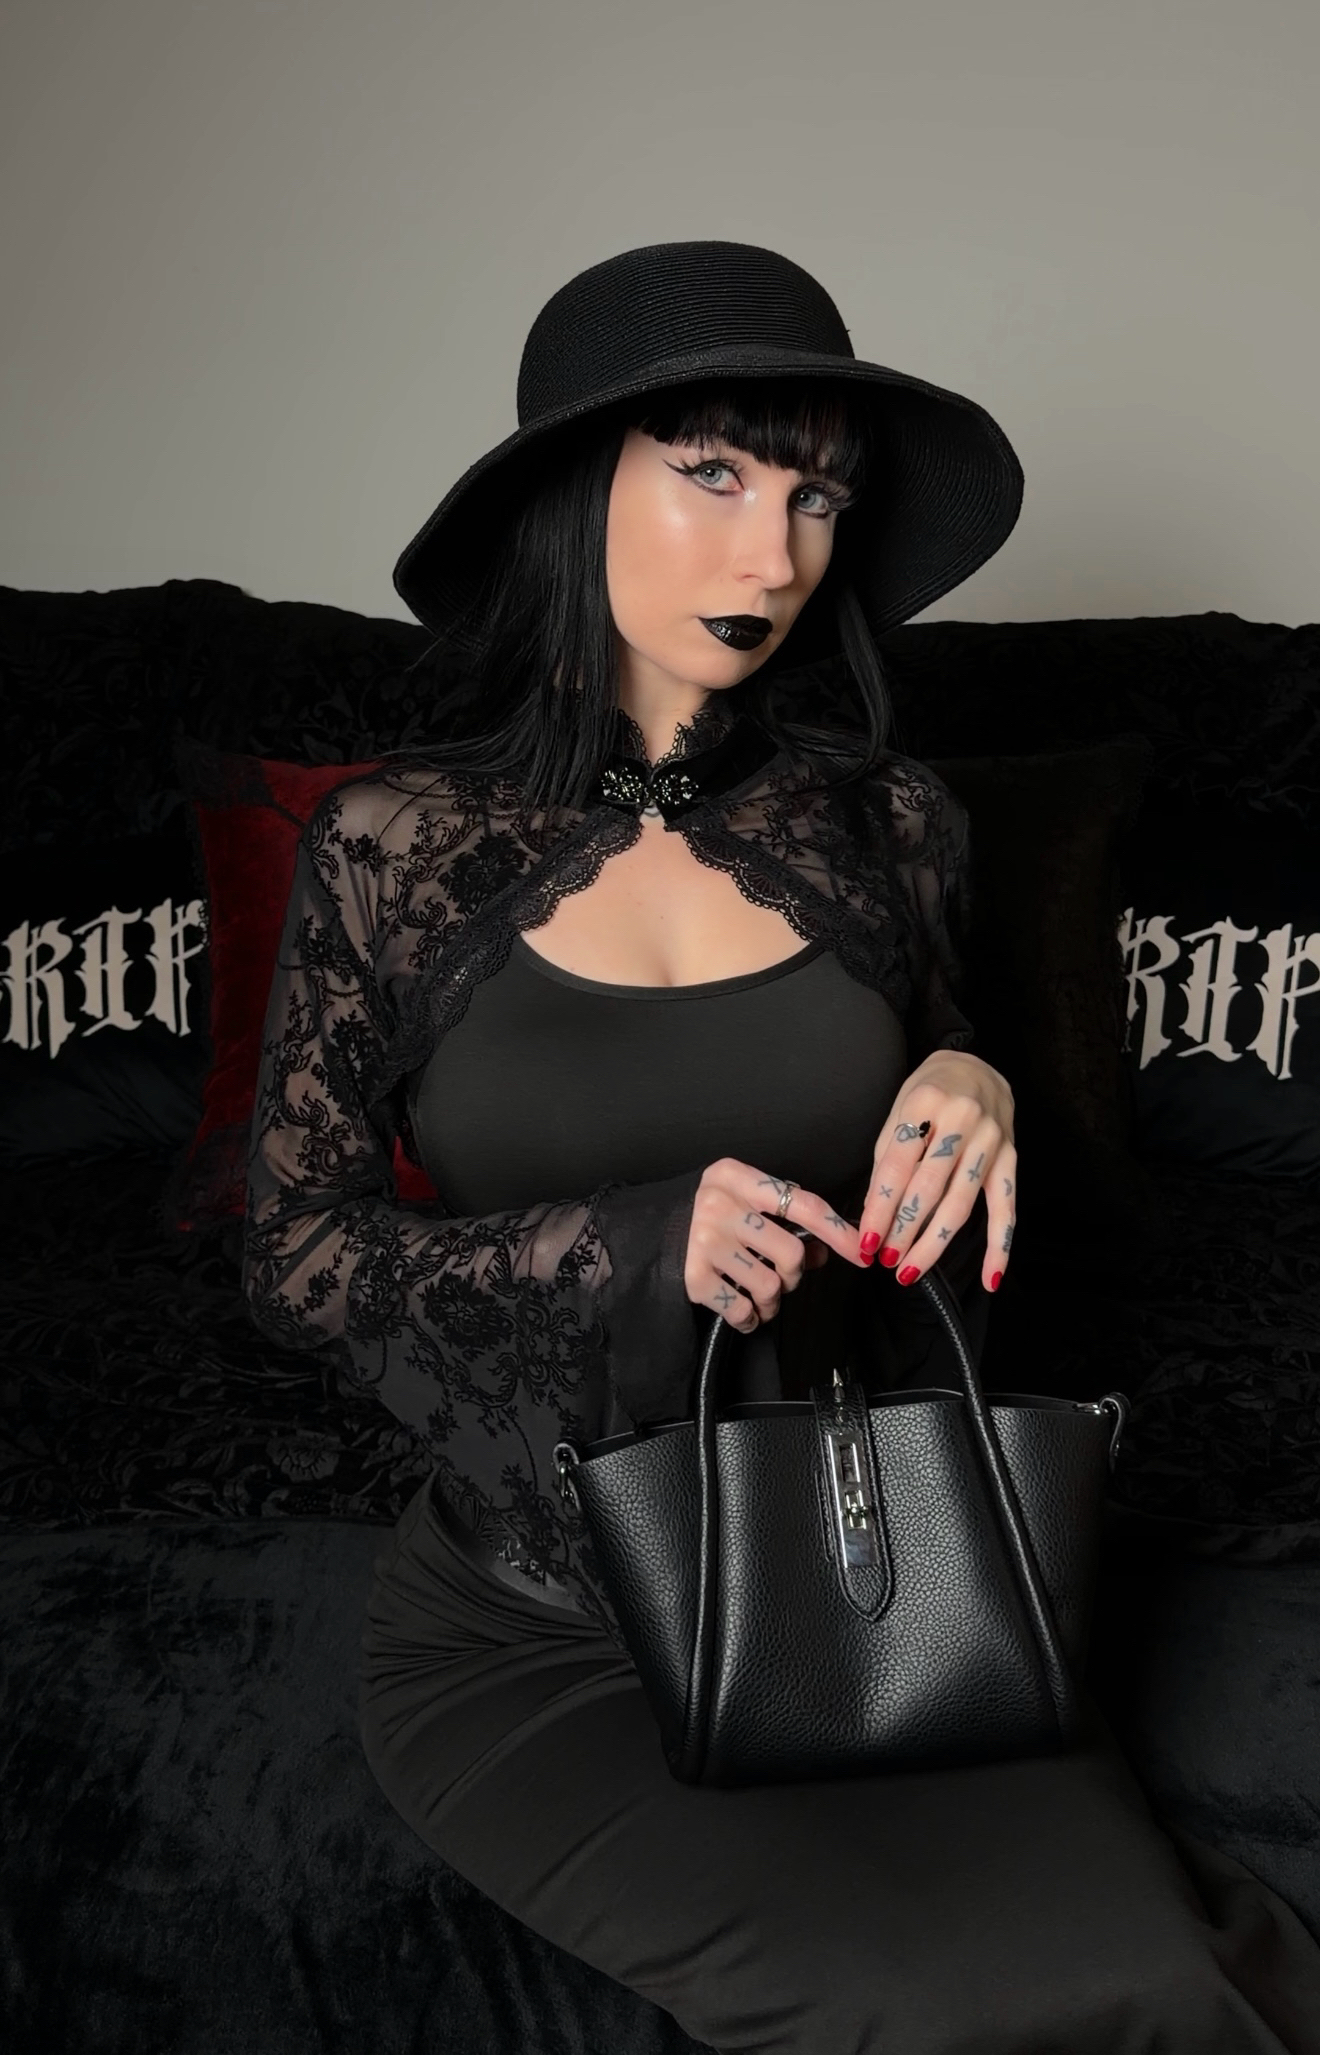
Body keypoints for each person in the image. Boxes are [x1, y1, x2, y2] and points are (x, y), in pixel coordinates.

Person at [243, 240, 1320, 2053]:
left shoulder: (888, 821)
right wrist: (629, 1243)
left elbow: (933, 1070)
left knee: (1160, 1977)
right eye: (716, 475)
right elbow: (294, 1258)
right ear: (572, 493)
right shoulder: (392, 846)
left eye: (818, 498)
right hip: (548, 1628)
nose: (775, 558)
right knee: (925, 2005)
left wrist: (974, 1082)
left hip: (888, 1583)